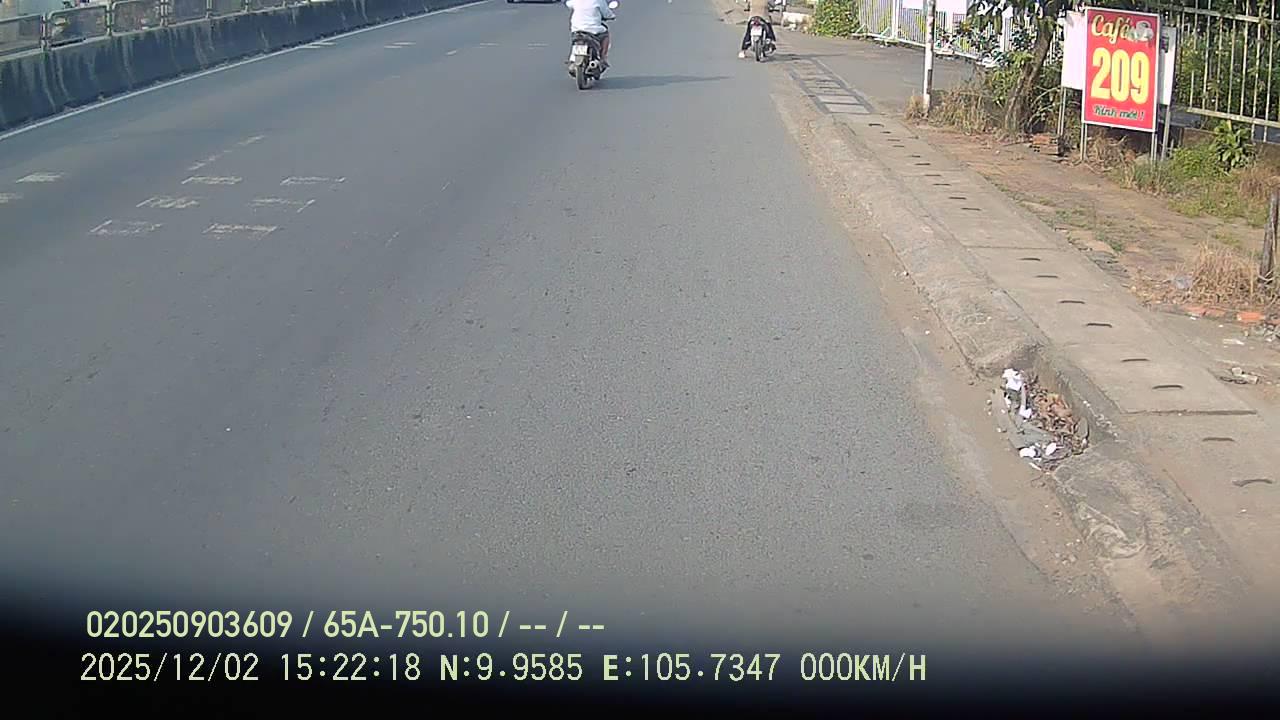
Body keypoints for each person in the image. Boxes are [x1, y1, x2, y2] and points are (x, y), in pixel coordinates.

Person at [566, 0, 616, 73]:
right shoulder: (598, 1)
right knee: (605, 35)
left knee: (576, 42)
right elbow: (607, 13)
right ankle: (603, 58)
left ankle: (573, 59)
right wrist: (612, 16)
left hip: (577, 29)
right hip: (592, 30)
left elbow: (568, 4)